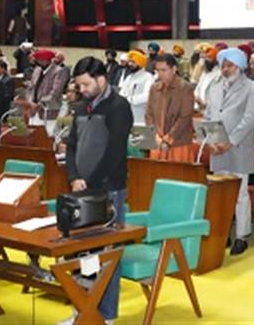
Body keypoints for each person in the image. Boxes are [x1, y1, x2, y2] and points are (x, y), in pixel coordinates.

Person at [63, 56, 132, 324]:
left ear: (101, 78)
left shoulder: (118, 107)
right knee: (83, 254)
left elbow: (114, 153)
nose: (81, 90)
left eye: (85, 84)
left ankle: (106, 315)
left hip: (108, 190)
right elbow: (71, 146)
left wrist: (90, 182)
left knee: (107, 255)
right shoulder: (81, 107)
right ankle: (84, 310)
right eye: (78, 85)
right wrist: (73, 176)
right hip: (81, 189)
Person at [204, 48, 254, 256]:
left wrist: (232, 141)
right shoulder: (214, 85)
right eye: (223, 65)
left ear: (239, 66)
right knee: (220, 193)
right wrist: (210, 139)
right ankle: (223, 233)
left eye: (229, 66)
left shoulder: (253, 88)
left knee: (240, 193)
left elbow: (250, 118)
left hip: (238, 147)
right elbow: (209, 113)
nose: (225, 69)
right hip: (217, 147)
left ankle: (241, 235)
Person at [145, 53, 195, 161]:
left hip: (178, 143)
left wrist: (168, 139)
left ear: (174, 69)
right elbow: (149, 114)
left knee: (176, 176)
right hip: (157, 142)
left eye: (164, 70)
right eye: (158, 70)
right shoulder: (154, 88)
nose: (160, 74)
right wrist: (155, 136)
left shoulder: (185, 88)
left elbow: (185, 118)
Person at [27, 49, 69, 121]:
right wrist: (30, 102)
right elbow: (31, 88)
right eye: (37, 59)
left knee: (47, 132)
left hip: (49, 111)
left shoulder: (59, 71)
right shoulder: (37, 70)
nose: (38, 61)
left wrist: (40, 104)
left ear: (47, 60)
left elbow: (55, 92)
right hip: (33, 110)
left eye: (40, 59)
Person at [119, 50, 154, 124]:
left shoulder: (148, 77)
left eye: (133, 62)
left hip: (140, 117)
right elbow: (122, 93)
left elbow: (147, 96)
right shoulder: (129, 77)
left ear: (140, 63)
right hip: (126, 116)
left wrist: (130, 99)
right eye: (129, 62)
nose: (130, 64)